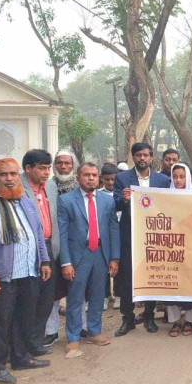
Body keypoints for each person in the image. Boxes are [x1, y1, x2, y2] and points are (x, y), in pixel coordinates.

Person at [0, 158, 52, 384]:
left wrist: (44, 261)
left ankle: (20, 358)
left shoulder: (26, 202)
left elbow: (37, 236)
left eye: (12, 174)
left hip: (28, 272)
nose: (8, 179)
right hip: (1, 277)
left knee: (23, 319)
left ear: (19, 176)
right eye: (3, 175)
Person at [59, 163, 120, 359]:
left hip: (101, 254)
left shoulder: (107, 200)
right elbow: (62, 234)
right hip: (79, 255)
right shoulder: (66, 200)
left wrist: (114, 258)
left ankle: (94, 331)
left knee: (97, 296)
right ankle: (73, 336)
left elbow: (113, 229)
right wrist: (66, 262)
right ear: (78, 177)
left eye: (94, 175)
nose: (91, 178)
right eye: (86, 175)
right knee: (75, 298)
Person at [113, 143, 171, 337]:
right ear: (133, 157)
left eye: (145, 155)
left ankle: (149, 315)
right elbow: (114, 205)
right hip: (130, 236)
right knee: (128, 278)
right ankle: (127, 318)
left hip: (153, 236)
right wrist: (124, 200)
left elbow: (169, 206)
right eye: (138, 155)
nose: (142, 158)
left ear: (151, 157)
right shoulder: (122, 178)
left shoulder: (162, 180)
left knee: (151, 276)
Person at [19, 150, 60, 356]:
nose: (46, 173)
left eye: (48, 168)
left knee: (46, 298)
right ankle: (20, 346)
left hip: (49, 248)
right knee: (27, 300)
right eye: (42, 168)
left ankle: (35, 343)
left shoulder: (51, 186)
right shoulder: (16, 186)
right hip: (26, 251)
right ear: (28, 168)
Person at [45, 150, 79, 345]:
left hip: (77, 246)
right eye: (59, 163)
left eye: (67, 163)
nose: (64, 167)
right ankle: (51, 331)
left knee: (79, 290)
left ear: (74, 165)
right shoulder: (47, 187)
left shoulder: (81, 186)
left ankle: (81, 327)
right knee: (53, 291)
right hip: (54, 246)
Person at [165, 163, 192, 337]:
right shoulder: (164, 196)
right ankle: (176, 321)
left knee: (189, 284)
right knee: (171, 283)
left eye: (182, 177)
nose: (178, 180)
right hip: (170, 246)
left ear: (188, 178)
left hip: (191, 246)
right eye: (175, 176)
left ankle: (189, 320)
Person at [98, 162, 120, 311]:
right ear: (102, 179)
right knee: (104, 266)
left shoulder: (121, 193)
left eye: (113, 179)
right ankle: (104, 296)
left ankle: (118, 295)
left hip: (120, 233)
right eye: (107, 180)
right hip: (104, 234)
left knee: (118, 265)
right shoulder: (98, 194)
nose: (111, 182)